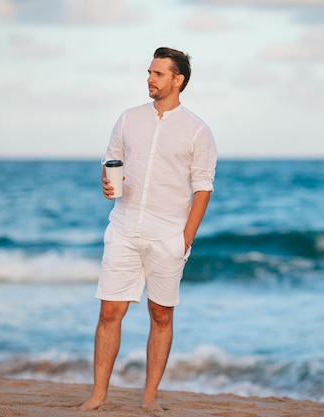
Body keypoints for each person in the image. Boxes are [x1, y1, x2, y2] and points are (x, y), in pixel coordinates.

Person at [78, 47, 217, 411]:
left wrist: (185, 239)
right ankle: (98, 395)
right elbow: (110, 163)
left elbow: (203, 187)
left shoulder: (197, 130)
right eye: (149, 72)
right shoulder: (128, 119)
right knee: (110, 313)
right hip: (123, 228)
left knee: (161, 315)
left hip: (167, 236)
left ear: (177, 80)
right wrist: (107, 185)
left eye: (157, 74)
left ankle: (150, 396)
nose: (149, 79)